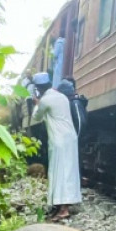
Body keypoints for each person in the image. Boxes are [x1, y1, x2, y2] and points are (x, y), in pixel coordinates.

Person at [31, 71, 83, 221]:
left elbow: (37, 116)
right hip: (70, 139)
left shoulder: (46, 100)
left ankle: (63, 209)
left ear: (39, 88)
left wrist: (36, 104)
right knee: (68, 171)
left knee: (59, 172)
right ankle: (61, 206)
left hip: (59, 140)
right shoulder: (61, 96)